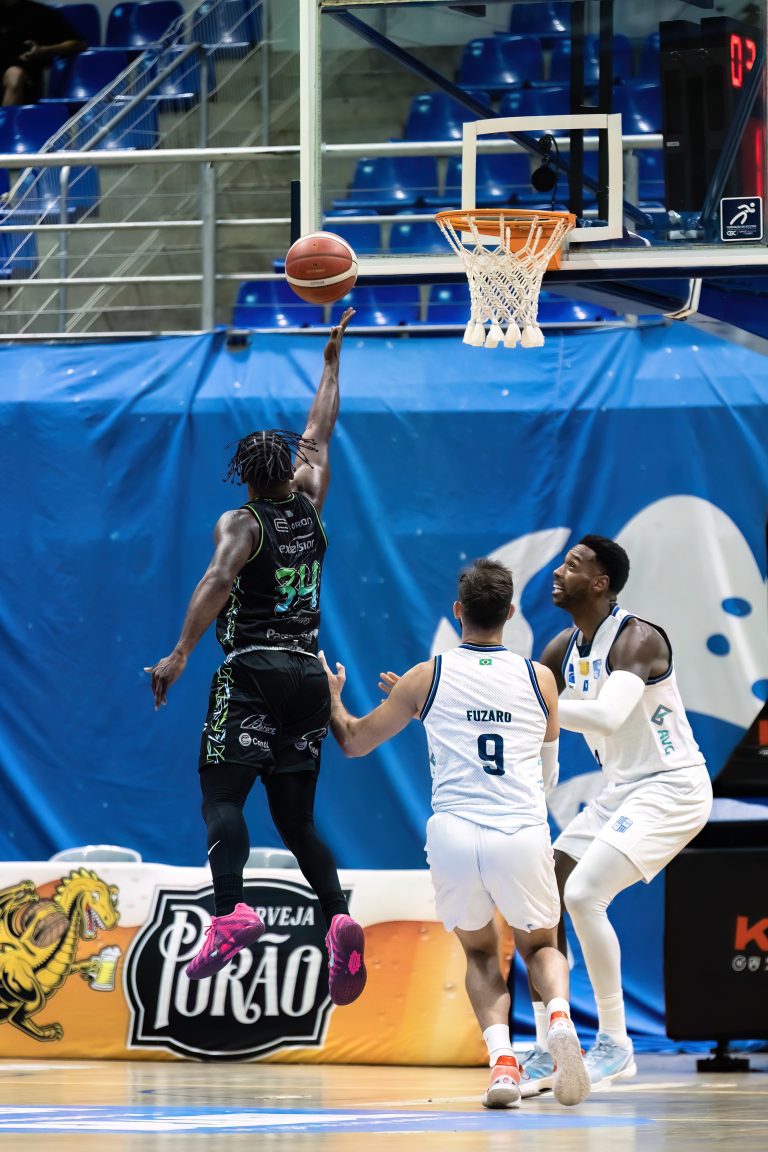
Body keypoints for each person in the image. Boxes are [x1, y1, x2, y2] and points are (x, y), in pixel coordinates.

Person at [144, 307, 367, 1008]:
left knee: (222, 798)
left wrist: (180, 653)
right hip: (307, 676)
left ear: (244, 476)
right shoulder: (311, 504)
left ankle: (231, 912)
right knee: (297, 821)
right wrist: (330, 365)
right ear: (290, 471)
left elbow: (217, 581)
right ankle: (337, 917)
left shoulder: (241, 522)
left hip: (253, 672)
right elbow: (321, 432)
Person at [320, 558, 590, 1109]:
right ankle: (560, 1019)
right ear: (510, 613)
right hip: (520, 830)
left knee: (482, 955)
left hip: (455, 835)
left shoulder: (426, 677)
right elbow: (548, 773)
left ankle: (502, 1066)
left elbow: (352, 742)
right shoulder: (540, 679)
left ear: (458, 611)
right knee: (541, 945)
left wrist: (333, 698)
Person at [519, 535, 713, 1092]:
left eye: (572, 565)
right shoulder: (562, 647)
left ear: (600, 583)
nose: (558, 572)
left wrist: (538, 705)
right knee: (542, 899)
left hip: (673, 786)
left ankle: (615, 1043)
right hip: (622, 790)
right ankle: (548, 1046)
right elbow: (527, 710)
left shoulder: (638, 638)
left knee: (584, 896)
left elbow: (605, 716)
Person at [0, 0, 86, 107]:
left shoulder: (38, 13)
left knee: (14, 74)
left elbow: (79, 43)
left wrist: (46, 50)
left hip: (24, 83)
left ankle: (6, 117)